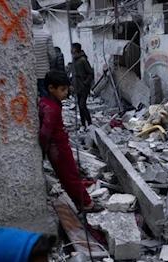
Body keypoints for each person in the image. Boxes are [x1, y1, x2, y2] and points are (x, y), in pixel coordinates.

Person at [38, 71, 103, 213]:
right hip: (58, 147)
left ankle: (80, 200)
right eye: (62, 90)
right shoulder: (52, 108)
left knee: (67, 176)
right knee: (72, 175)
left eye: (66, 89)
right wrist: (44, 147)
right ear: (51, 88)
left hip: (56, 147)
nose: (66, 93)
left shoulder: (45, 102)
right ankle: (86, 203)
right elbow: (45, 132)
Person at [71, 43, 94, 129]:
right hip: (77, 87)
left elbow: (90, 73)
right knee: (80, 106)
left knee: (82, 105)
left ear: (75, 49)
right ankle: (83, 124)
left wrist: (85, 83)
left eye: (72, 48)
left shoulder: (83, 60)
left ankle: (90, 123)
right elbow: (74, 74)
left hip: (83, 87)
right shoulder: (74, 60)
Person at [32, 10, 55, 98]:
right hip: (44, 71)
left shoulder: (28, 34)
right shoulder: (46, 34)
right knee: (44, 92)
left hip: (31, 71)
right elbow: (52, 54)